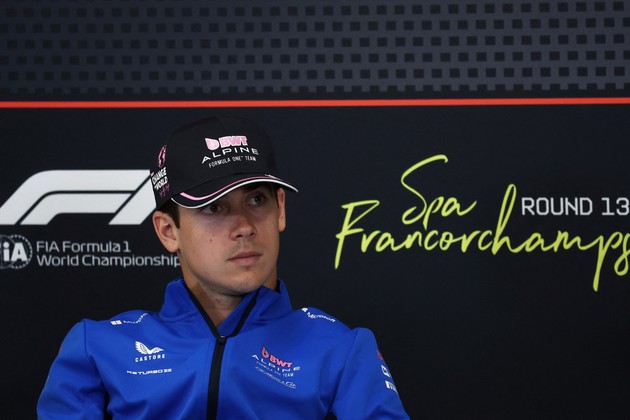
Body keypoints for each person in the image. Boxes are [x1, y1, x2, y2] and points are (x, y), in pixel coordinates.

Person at [37, 115, 409, 419]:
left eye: (257, 199)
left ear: (280, 209)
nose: (244, 226)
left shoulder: (342, 350)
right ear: (168, 231)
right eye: (214, 207)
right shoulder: (97, 347)